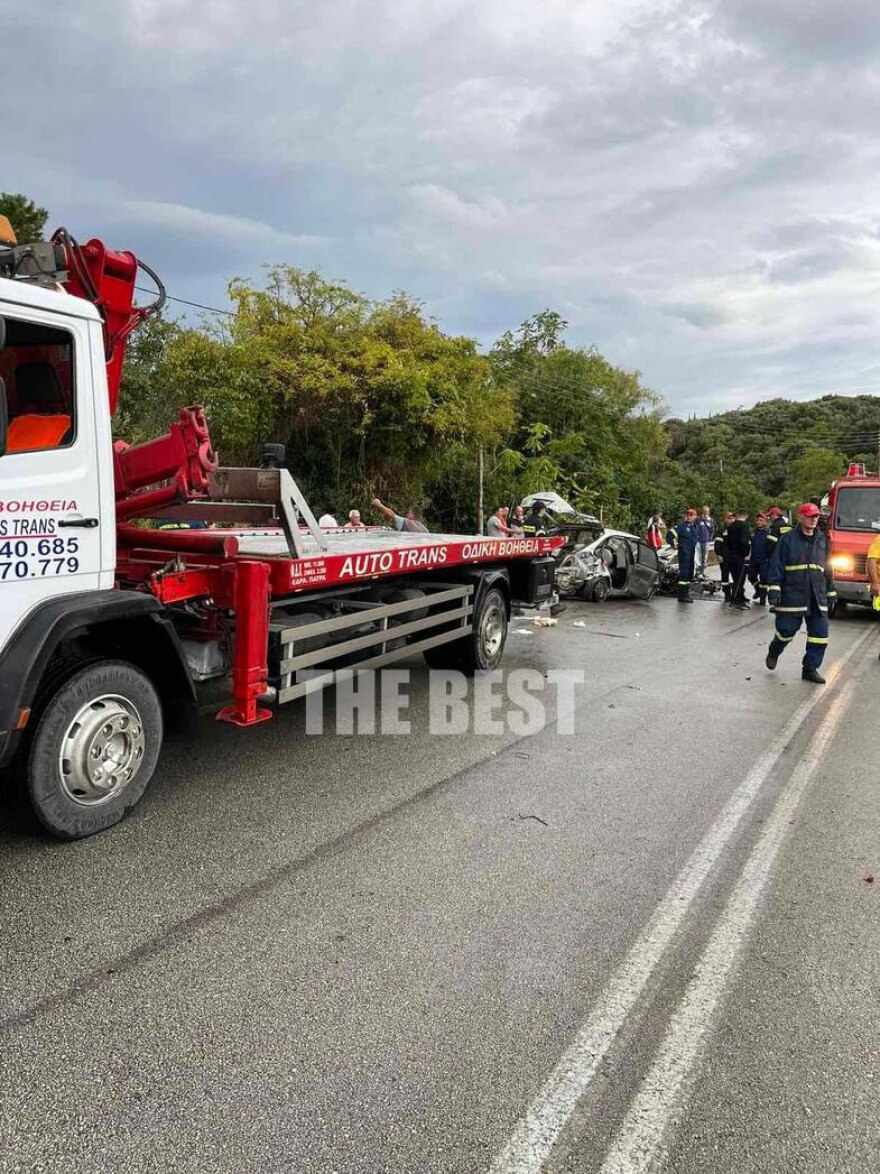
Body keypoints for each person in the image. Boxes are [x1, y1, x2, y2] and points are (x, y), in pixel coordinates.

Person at [765, 503, 837, 684]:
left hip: (816, 595)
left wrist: (831, 590)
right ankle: (775, 649)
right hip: (793, 594)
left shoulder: (822, 540)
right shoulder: (788, 540)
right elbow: (777, 565)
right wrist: (774, 589)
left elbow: (828, 568)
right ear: (801, 517)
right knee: (786, 631)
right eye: (811, 516)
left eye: (816, 517)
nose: (814, 519)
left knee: (820, 635)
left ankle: (810, 669)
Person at [726, 508, 751, 609]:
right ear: (746, 516)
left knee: (736, 578)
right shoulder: (744, 526)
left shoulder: (730, 526)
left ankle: (739, 599)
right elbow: (744, 542)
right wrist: (746, 554)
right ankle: (735, 601)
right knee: (740, 580)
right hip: (740, 556)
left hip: (730, 555)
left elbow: (727, 541)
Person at [675, 507, 700, 602]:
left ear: (695, 517)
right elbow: (670, 534)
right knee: (684, 574)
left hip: (691, 554)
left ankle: (686, 593)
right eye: (687, 515)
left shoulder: (695, 527)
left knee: (689, 574)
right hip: (684, 554)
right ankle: (681, 596)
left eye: (691, 515)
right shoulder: (682, 526)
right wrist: (674, 544)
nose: (688, 516)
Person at [747, 512, 771, 605]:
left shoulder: (769, 532)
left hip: (764, 559)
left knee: (763, 579)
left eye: (761, 520)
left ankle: (763, 598)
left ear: (765, 521)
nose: (758, 522)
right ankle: (758, 591)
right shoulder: (752, 532)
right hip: (754, 559)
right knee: (751, 576)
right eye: (757, 520)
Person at [715, 512, 734, 600]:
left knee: (736, 577)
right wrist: (718, 554)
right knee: (725, 576)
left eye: (732, 518)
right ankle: (727, 594)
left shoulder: (737, 528)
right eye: (729, 518)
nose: (731, 520)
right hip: (724, 557)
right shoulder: (722, 530)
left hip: (735, 557)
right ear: (725, 519)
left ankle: (737, 594)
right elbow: (717, 543)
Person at [695, 505, 714, 575]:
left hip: (706, 541)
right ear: (702, 511)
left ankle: (702, 570)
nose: (705, 512)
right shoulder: (698, 519)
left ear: (708, 512)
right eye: (704, 511)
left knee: (704, 556)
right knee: (698, 556)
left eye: (707, 511)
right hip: (698, 540)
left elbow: (712, 530)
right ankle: (698, 571)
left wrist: (710, 538)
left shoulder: (710, 520)